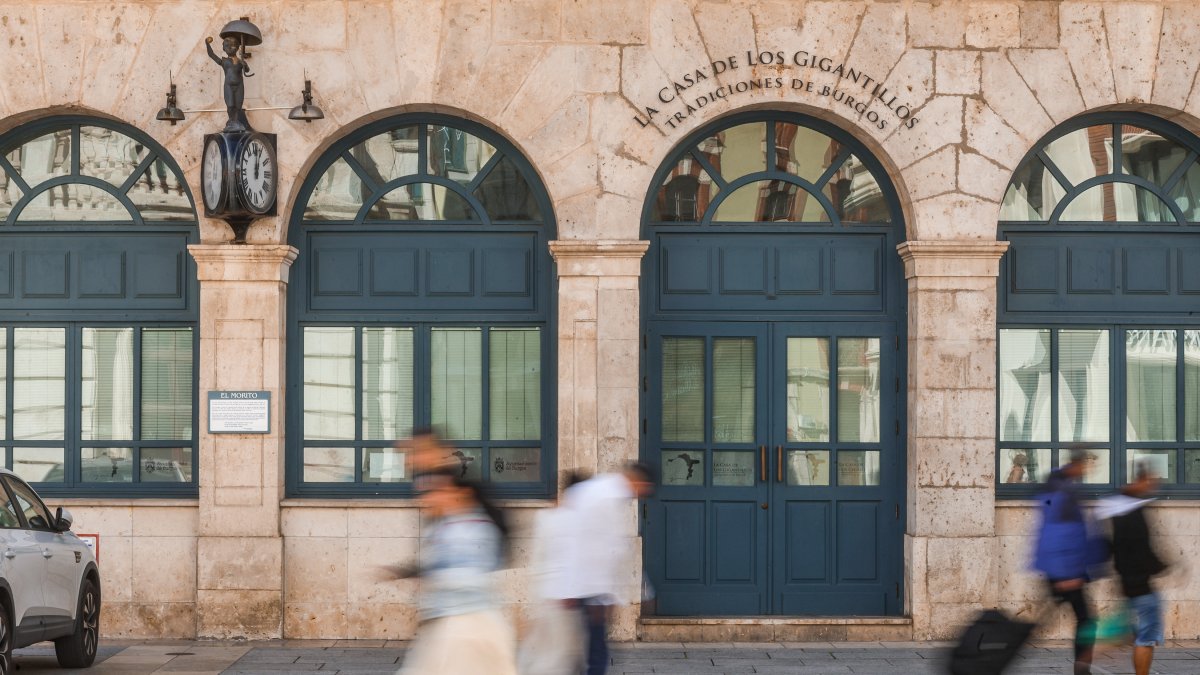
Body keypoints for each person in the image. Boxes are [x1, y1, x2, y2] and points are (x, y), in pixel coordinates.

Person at [386, 469, 517, 675]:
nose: (432, 497)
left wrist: (436, 579)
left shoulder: (475, 529)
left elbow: (474, 578)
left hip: (469, 625)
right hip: (449, 624)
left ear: (461, 494)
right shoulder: (445, 527)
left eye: (441, 491)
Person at [554, 462, 656, 675]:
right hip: (590, 587)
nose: (641, 495)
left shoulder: (600, 490)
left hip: (583, 585)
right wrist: (602, 598)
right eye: (643, 490)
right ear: (638, 481)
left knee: (588, 647)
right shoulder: (608, 497)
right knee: (595, 650)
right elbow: (601, 549)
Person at [1033, 448, 1104, 675]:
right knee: (1086, 620)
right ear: (1078, 463)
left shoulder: (1057, 485)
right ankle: (1081, 670)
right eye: (1087, 464)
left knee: (1054, 619)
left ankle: (999, 647)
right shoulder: (1064, 491)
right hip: (1066, 572)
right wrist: (1068, 575)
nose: (1088, 469)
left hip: (1061, 569)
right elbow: (1058, 533)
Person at [1098, 463, 1167, 675]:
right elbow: (1141, 550)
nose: (1152, 486)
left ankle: (1096, 650)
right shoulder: (1133, 514)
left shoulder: (1120, 511)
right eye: (1151, 481)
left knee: (1136, 635)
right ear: (1141, 480)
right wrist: (1163, 567)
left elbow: (1115, 549)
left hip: (1129, 584)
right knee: (1145, 639)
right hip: (1142, 587)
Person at [516, 471, 589, 675]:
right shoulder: (577, 520)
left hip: (546, 594)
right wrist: (568, 593)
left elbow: (538, 558)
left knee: (547, 650)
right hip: (564, 596)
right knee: (560, 656)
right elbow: (572, 559)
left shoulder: (547, 516)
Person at [204, 35, 253, 131]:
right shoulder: (224, 61)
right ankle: (231, 121)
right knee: (230, 105)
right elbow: (211, 54)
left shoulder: (240, 61)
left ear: (237, 47)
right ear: (224, 48)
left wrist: (245, 65)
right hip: (229, 86)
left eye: (233, 46)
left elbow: (247, 71)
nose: (230, 48)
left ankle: (236, 121)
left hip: (239, 85)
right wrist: (207, 44)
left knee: (238, 106)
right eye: (227, 46)